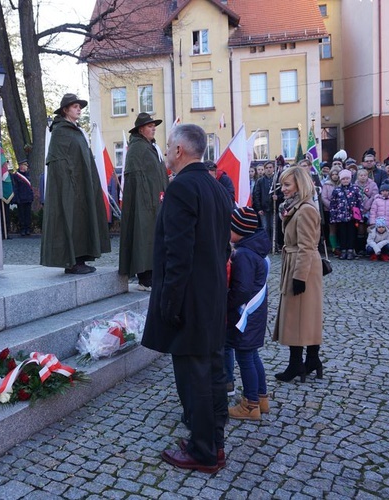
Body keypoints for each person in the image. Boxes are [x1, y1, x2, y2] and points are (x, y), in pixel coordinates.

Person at [142, 124, 232, 473]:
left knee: (195, 379)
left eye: (167, 147)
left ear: (180, 150)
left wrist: (169, 302)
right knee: (211, 372)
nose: (165, 152)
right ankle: (214, 443)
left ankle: (203, 451)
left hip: (189, 300)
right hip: (211, 296)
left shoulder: (182, 188)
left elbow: (177, 253)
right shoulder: (215, 186)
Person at [41, 94, 110, 274]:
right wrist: (69, 185)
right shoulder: (60, 132)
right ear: (65, 110)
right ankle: (71, 262)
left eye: (79, 106)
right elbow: (58, 164)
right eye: (75, 106)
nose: (79, 109)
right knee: (71, 220)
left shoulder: (77, 130)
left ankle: (81, 258)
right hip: (69, 186)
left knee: (82, 220)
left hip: (82, 184)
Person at [273, 166, 324, 383]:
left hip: (302, 266)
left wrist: (299, 276)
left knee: (299, 315)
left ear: (299, 185)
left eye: (287, 184)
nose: (282, 189)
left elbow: (307, 246)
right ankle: (311, 359)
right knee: (304, 314)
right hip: (297, 263)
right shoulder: (296, 207)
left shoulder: (305, 210)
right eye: (282, 184)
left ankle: (298, 364)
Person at [225, 207, 272, 421]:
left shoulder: (243, 254)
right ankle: (261, 398)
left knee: (245, 358)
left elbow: (242, 290)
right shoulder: (255, 249)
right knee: (252, 355)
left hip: (246, 316)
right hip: (256, 315)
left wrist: (226, 303)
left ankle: (250, 405)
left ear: (240, 230)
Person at [118, 112, 169, 291]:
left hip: (156, 202)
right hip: (144, 204)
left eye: (154, 125)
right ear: (141, 129)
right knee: (144, 237)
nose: (153, 128)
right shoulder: (138, 149)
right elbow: (137, 181)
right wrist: (147, 202)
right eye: (150, 126)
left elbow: (157, 175)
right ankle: (145, 278)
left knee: (153, 238)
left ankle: (152, 274)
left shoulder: (151, 148)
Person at [329, 169, 362, 260]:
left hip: (352, 216)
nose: (345, 180)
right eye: (343, 179)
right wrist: (333, 216)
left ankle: (351, 250)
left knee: (352, 233)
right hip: (341, 216)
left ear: (350, 178)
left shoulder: (355, 188)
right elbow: (333, 204)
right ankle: (343, 250)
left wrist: (360, 215)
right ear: (340, 180)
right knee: (342, 233)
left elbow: (359, 202)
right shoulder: (337, 190)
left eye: (347, 178)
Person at [320, 166, 341, 254]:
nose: (335, 176)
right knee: (332, 229)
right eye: (333, 174)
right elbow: (324, 197)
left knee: (340, 229)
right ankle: (334, 247)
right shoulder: (327, 184)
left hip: (341, 210)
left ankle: (340, 246)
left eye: (337, 174)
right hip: (329, 210)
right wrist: (332, 207)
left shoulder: (342, 184)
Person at [252, 161, 275, 240]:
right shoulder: (260, 181)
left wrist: (277, 197)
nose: (268, 169)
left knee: (273, 227)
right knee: (265, 227)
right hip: (264, 208)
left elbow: (281, 193)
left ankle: (274, 245)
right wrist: (259, 208)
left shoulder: (276, 180)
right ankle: (267, 245)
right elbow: (256, 195)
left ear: (273, 168)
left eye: (270, 167)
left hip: (274, 207)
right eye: (267, 168)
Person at [11, 160, 34, 236]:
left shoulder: (28, 175)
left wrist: (31, 197)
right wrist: (17, 198)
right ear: (21, 166)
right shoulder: (16, 176)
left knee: (28, 215)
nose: (26, 167)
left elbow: (29, 188)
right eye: (25, 166)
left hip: (28, 199)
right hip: (21, 199)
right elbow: (15, 188)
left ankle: (28, 229)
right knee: (21, 215)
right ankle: (23, 229)